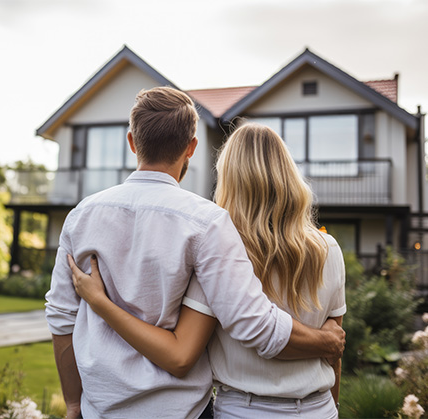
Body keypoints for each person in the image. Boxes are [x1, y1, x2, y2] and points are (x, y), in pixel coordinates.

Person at [45, 87, 345, 419]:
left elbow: (61, 319)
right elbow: (253, 324)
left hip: (100, 409)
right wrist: (326, 342)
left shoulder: (81, 216)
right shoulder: (206, 223)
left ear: (132, 142)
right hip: (180, 411)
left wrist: (73, 403)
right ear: (191, 147)